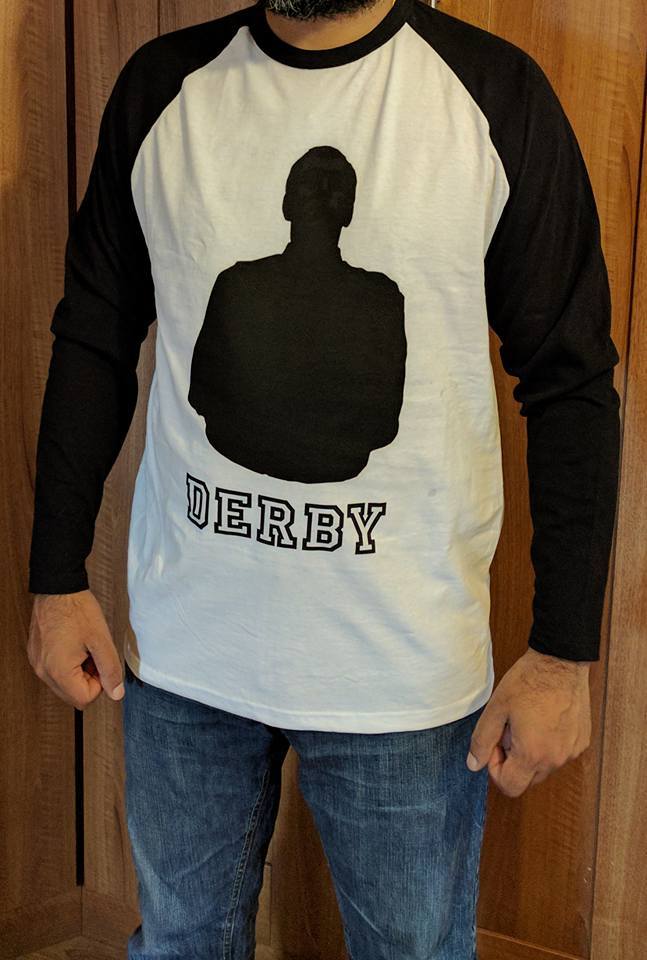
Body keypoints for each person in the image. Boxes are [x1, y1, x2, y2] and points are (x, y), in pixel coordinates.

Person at [26, 0, 621, 955]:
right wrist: (55, 577)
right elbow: (93, 339)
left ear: (301, 208)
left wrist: (562, 655)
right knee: (178, 945)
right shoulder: (160, 91)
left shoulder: (494, 96)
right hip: (186, 654)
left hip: (406, 676)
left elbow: (572, 383)